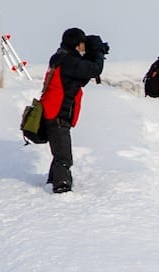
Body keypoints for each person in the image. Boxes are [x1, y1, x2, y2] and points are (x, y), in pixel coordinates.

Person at [41, 28, 106, 194]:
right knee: (64, 156)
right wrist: (97, 52)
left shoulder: (62, 57)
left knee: (60, 151)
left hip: (55, 112)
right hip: (57, 114)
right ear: (77, 44)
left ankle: (52, 180)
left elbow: (83, 75)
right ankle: (61, 186)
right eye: (83, 44)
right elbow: (93, 70)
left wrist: (94, 53)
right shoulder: (68, 61)